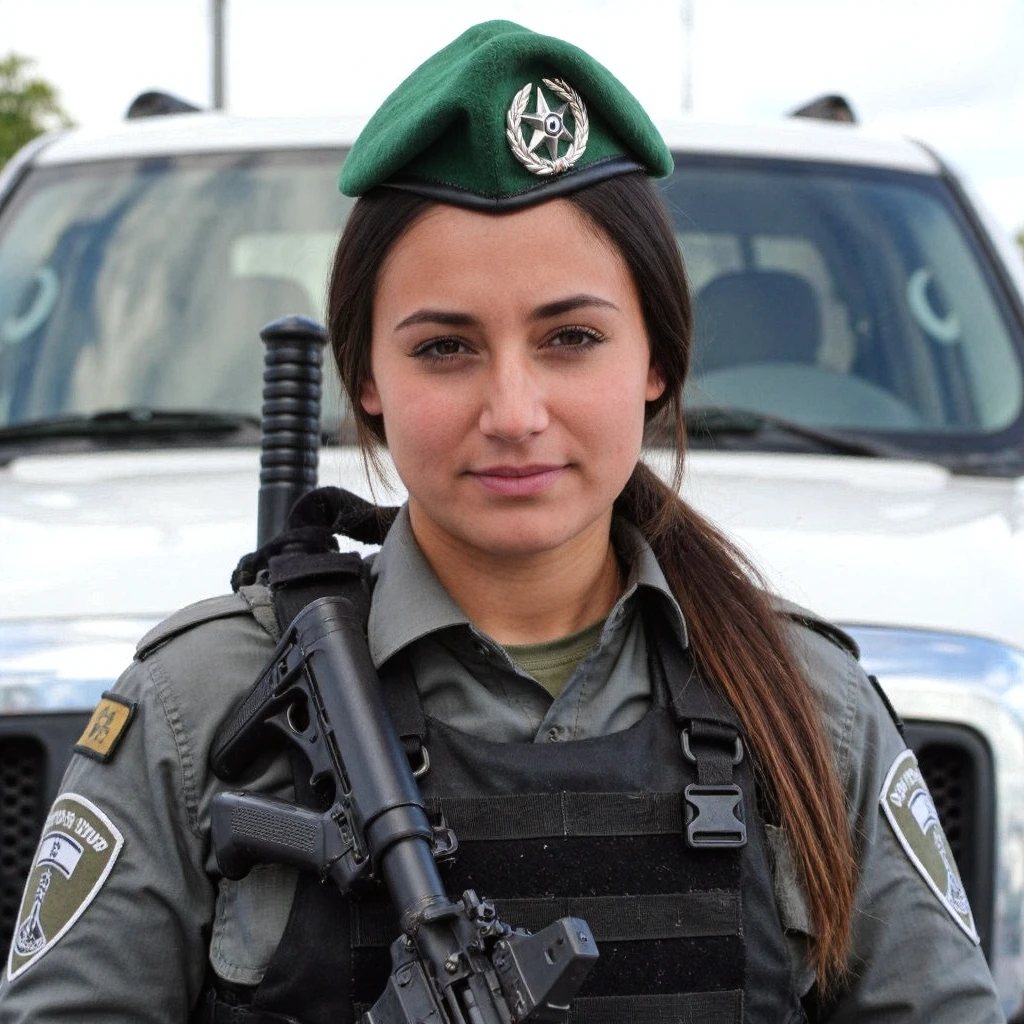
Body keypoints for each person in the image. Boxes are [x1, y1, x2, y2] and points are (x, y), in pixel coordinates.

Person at [0, 19, 1006, 1024]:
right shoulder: (201, 709)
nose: (515, 411)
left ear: (656, 361)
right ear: (367, 382)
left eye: (570, 337)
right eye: (445, 347)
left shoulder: (808, 708)